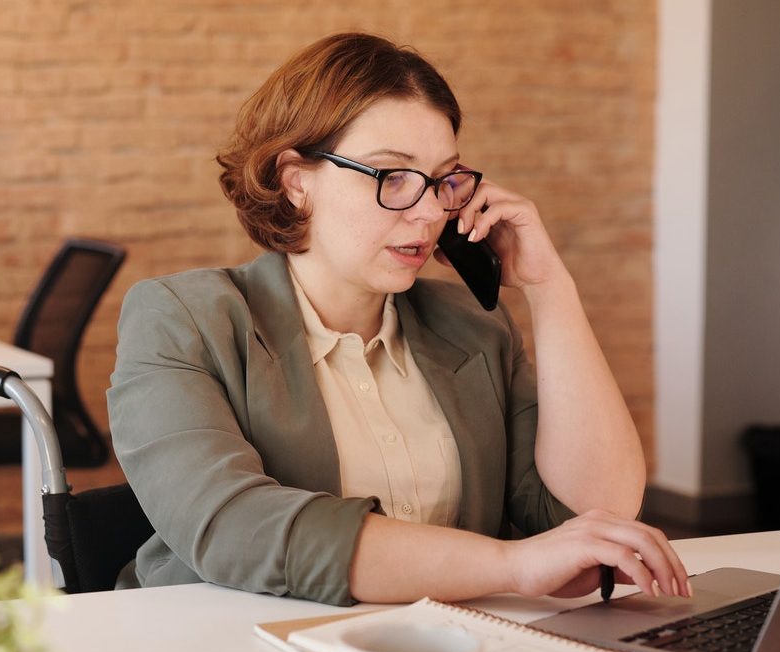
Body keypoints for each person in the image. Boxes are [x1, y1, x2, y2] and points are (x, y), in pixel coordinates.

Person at [106, 32, 689, 606]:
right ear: (296, 182)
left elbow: (596, 515)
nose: (432, 208)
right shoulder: (182, 318)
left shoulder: (471, 325)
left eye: (443, 179)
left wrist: (548, 288)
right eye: (393, 176)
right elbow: (232, 526)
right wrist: (510, 565)